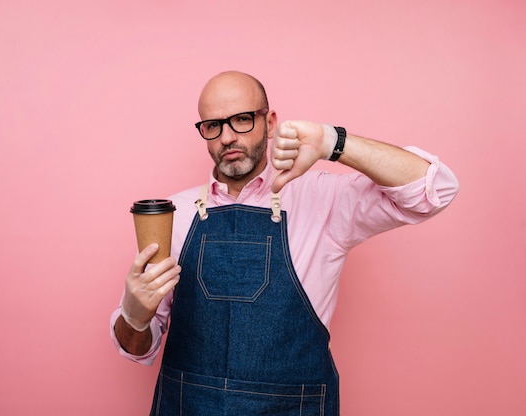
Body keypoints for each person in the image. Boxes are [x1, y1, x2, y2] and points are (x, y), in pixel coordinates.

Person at [110, 71, 459, 415]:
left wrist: (333, 142)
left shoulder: (322, 199)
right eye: (213, 125)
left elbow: (433, 190)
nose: (228, 137)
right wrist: (135, 317)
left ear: (271, 122)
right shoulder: (173, 214)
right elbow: (139, 349)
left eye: (243, 119)